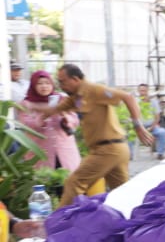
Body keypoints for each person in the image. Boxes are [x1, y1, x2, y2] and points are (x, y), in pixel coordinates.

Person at [40, 63, 153, 205]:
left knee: (74, 183)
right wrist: (31, 107)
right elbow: (55, 109)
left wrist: (138, 126)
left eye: (62, 81)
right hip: (114, 150)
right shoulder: (76, 97)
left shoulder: (94, 90)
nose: (60, 86)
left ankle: (57, 224)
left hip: (107, 149)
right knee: (123, 194)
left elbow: (127, 97)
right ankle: (136, 221)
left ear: (75, 79)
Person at [16, 70, 80, 171]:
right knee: (44, 182)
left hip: (64, 151)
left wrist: (65, 117)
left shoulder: (62, 99)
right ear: (33, 85)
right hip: (41, 152)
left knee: (67, 181)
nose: (44, 86)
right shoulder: (26, 104)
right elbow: (27, 125)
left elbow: (75, 121)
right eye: (39, 83)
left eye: (47, 83)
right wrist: (43, 117)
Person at [135, 83, 165, 160]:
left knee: (162, 132)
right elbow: (132, 117)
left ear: (147, 91)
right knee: (128, 134)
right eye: (141, 91)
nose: (142, 92)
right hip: (138, 127)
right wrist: (139, 128)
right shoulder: (135, 102)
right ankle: (130, 155)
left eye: (144, 91)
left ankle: (160, 153)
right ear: (138, 91)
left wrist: (151, 127)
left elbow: (157, 117)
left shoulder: (153, 101)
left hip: (151, 127)